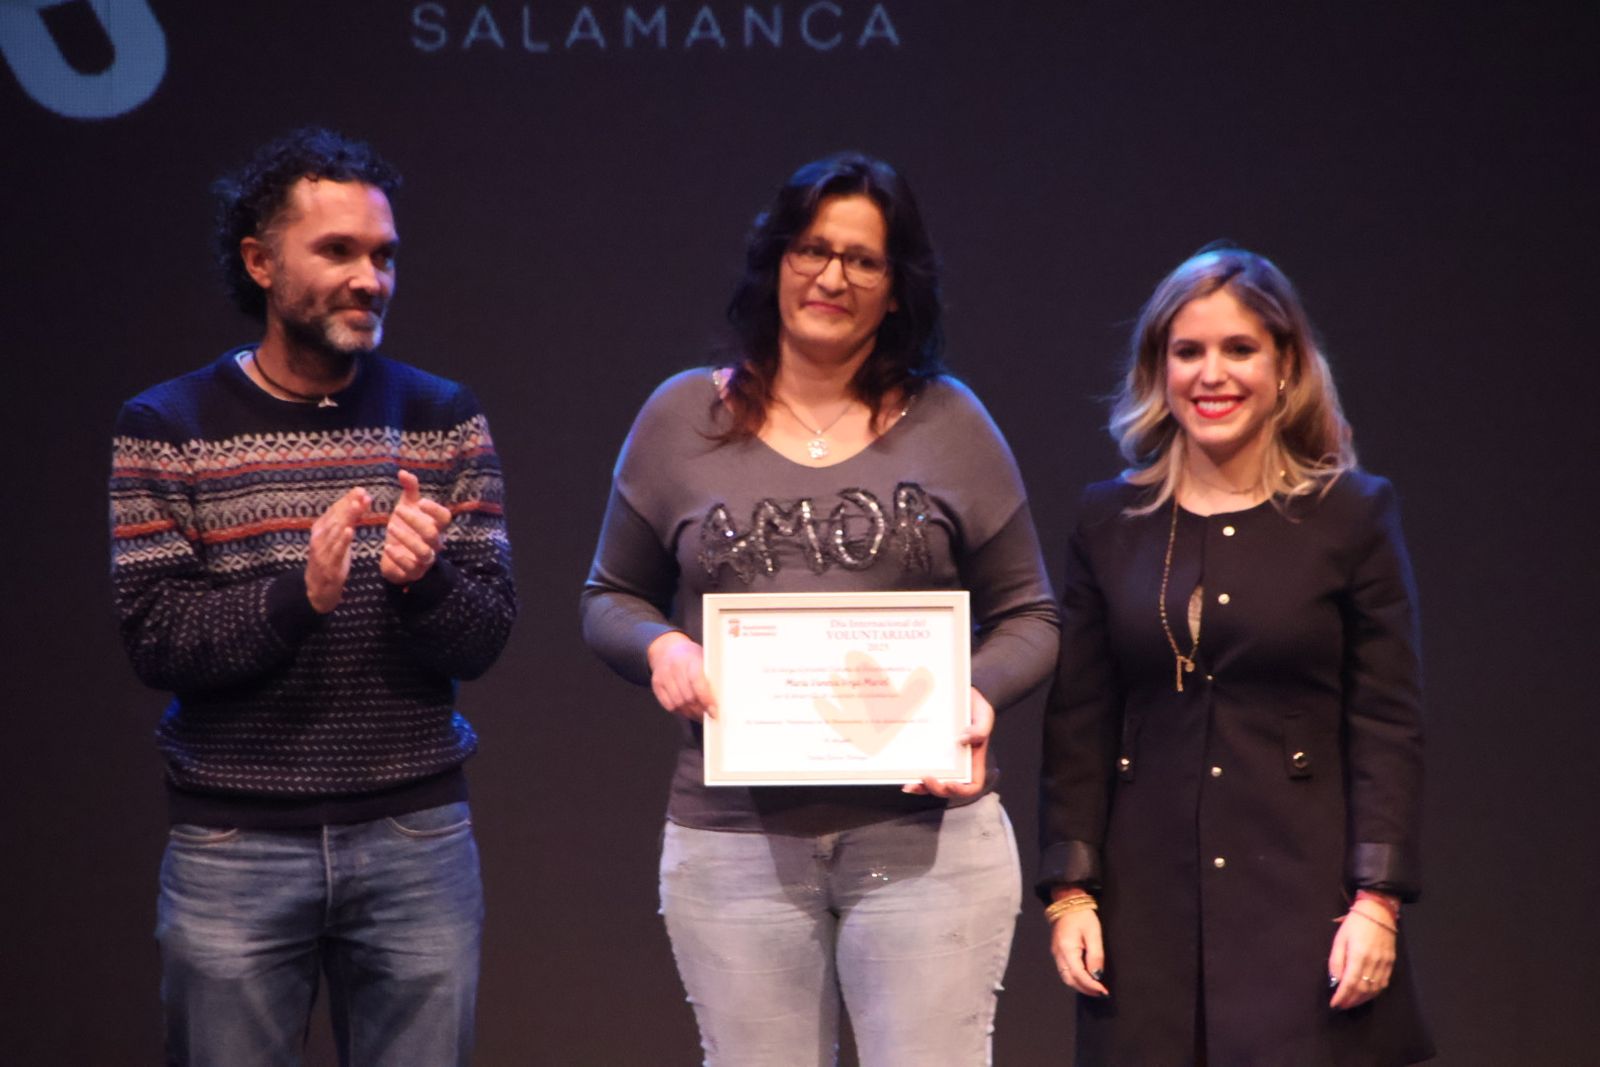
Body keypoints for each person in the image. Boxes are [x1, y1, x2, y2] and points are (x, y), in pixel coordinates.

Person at [581, 152, 1058, 1066]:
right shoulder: (682, 417)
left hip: (926, 843)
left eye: (863, 260)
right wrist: (661, 649)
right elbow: (611, 597)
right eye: (811, 249)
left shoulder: (952, 423)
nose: (832, 276)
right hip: (735, 847)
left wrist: (979, 696)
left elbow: (1031, 614)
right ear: (776, 262)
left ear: (895, 288)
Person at [109, 128, 516, 1066]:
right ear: (260, 261)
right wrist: (301, 597)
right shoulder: (168, 426)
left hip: (415, 836)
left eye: (383, 256)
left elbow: (486, 634)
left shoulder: (440, 416)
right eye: (337, 251)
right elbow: (157, 639)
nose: (369, 278)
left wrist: (424, 582)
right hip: (234, 844)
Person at [1037, 245, 1433, 1065]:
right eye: (1188, 351)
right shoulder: (1110, 521)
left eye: (1239, 349)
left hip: (1306, 899)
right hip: (1147, 905)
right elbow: (1079, 720)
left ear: (1285, 365)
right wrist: (1070, 892)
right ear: (1159, 369)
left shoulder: (1350, 515)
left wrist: (1378, 899)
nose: (1212, 374)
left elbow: (1388, 720)